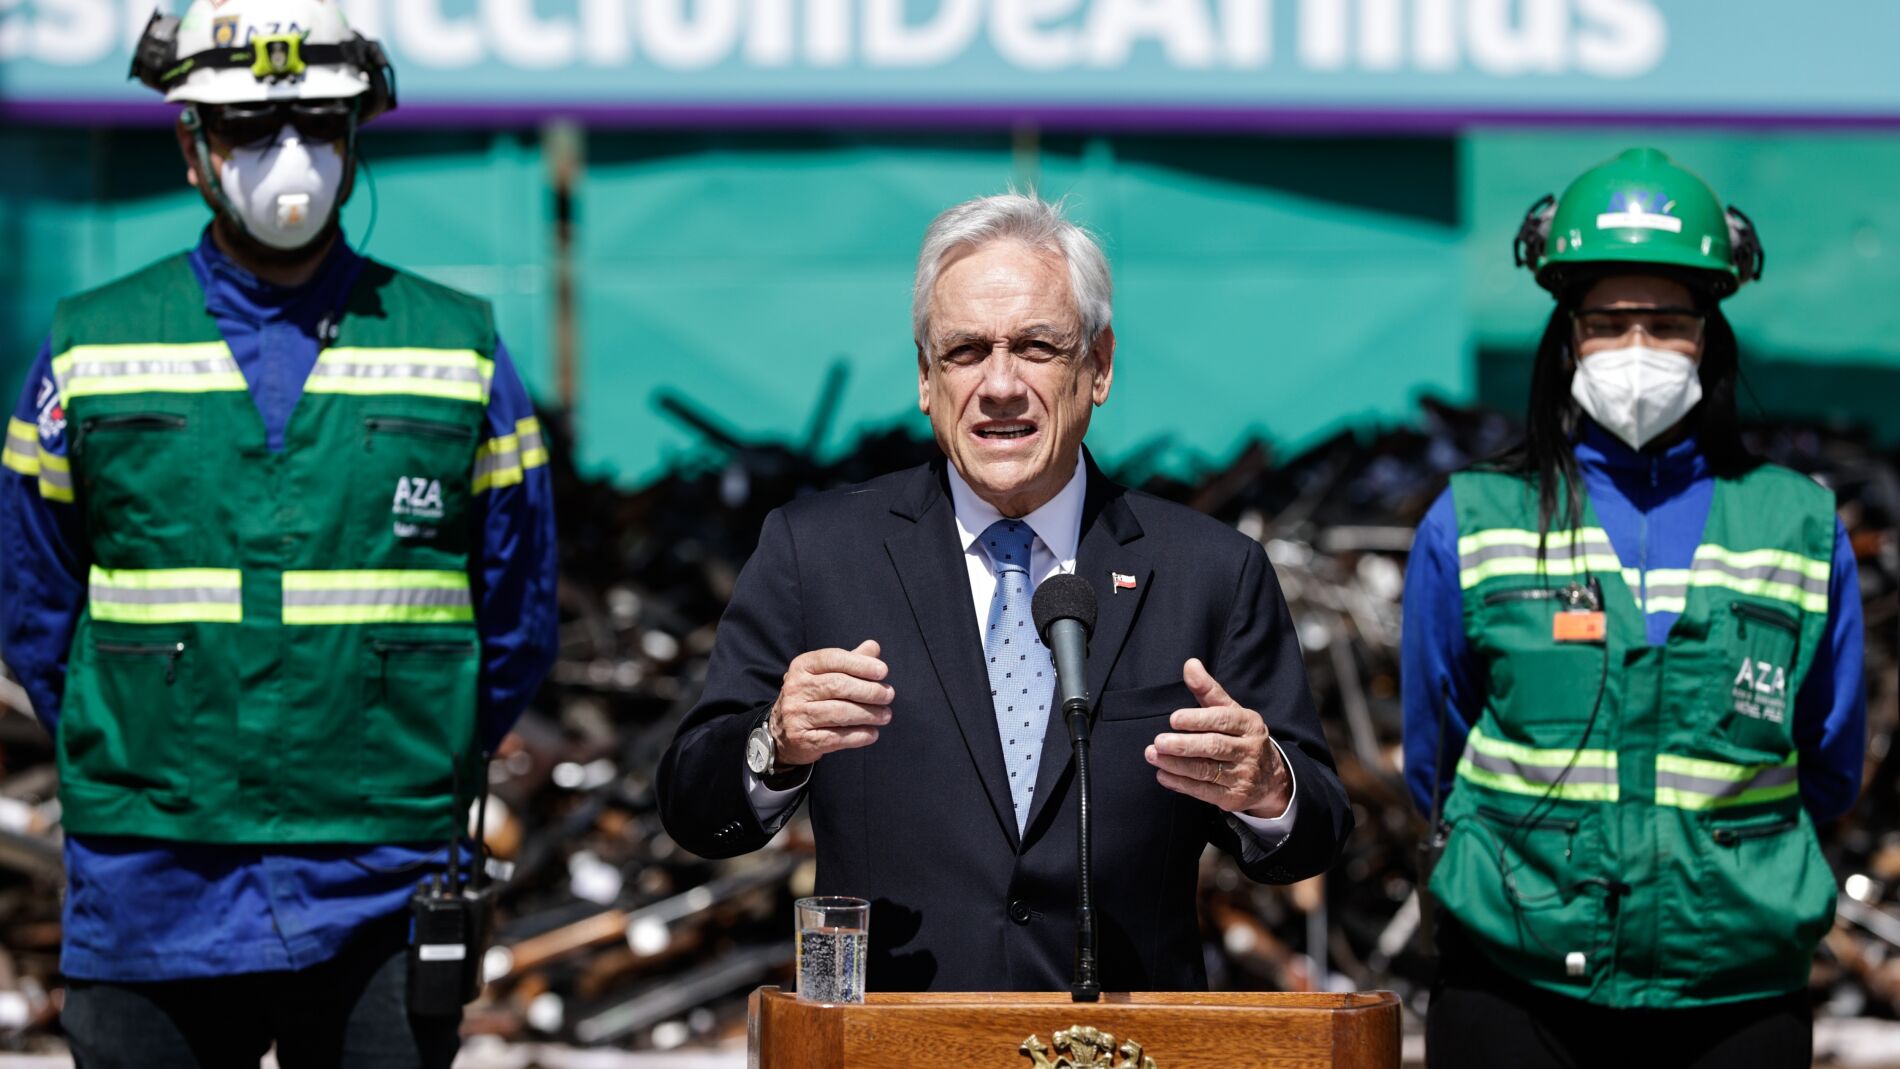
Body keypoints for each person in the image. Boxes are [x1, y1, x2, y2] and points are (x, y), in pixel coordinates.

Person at [0, 2, 559, 1064]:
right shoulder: (90, 346)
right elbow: (33, 606)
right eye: (250, 127)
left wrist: (404, 755)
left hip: (383, 876)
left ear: (355, 137)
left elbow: (519, 614)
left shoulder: (459, 349)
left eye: (317, 124)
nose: (287, 156)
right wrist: (146, 749)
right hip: (152, 876)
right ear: (193, 146)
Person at [658, 193, 1351, 992]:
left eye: (1035, 347)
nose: (999, 385)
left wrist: (1268, 787)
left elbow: (1318, 831)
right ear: (926, 378)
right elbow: (693, 806)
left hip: (1120, 1038)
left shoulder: (1210, 571)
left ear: (1098, 366)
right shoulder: (815, 554)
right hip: (893, 1036)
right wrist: (775, 742)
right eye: (964, 351)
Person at [1402, 148, 1865, 1068]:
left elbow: (1829, 759)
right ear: (1567, 337)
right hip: (1515, 979)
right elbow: (1435, 758)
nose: (1638, 348)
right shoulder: (1474, 520)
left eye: (1668, 322)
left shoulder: (1800, 523)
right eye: (1609, 322)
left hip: (1733, 990)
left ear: (1710, 337)